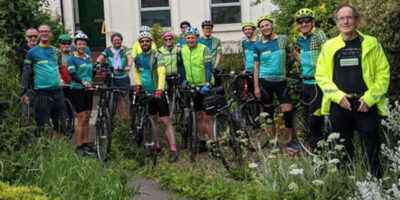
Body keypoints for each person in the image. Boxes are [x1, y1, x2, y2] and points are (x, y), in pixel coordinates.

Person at [315, 4, 390, 178]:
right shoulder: (328, 46)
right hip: (340, 105)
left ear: (357, 20)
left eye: (349, 17)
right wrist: (338, 97)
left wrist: (370, 99)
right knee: (342, 148)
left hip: (365, 105)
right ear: (336, 22)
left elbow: (383, 74)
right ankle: (347, 184)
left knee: (372, 147)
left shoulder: (371, 43)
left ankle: (377, 182)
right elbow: (321, 76)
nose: (346, 21)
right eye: (341, 18)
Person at [253, 15, 301, 152]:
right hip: (264, 81)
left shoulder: (283, 40)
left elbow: (295, 54)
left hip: (281, 81)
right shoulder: (257, 45)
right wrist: (256, 87)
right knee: (268, 114)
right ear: (260, 29)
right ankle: (274, 142)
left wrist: (307, 67)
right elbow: (256, 67)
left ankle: (290, 141)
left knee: (288, 112)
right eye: (262, 26)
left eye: (267, 25)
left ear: (272, 25)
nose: (265, 28)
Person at [133, 32, 178, 163]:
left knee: (165, 120)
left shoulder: (157, 55)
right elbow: (136, 71)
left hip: (159, 92)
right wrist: (139, 84)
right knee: (153, 120)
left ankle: (173, 148)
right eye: (142, 41)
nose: (145, 43)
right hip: (147, 93)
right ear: (139, 43)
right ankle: (156, 144)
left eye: (147, 41)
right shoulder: (138, 58)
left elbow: (161, 71)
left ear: (151, 42)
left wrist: (159, 88)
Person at [21, 24, 65, 135]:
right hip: (42, 92)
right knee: (43, 126)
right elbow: (26, 74)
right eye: (41, 32)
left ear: (51, 34)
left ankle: (59, 151)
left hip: (58, 91)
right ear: (39, 35)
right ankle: (45, 151)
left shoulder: (56, 51)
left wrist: (61, 79)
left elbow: (59, 68)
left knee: (60, 124)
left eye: (47, 31)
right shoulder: (31, 53)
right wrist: (24, 92)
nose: (44, 33)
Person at [294, 8, 328, 149]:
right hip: (306, 82)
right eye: (300, 22)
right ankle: (317, 146)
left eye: (307, 21)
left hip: (317, 82)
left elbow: (329, 52)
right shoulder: (300, 38)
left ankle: (319, 152)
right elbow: (303, 58)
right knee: (307, 118)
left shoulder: (319, 35)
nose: (303, 24)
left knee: (313, 119)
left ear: (313, 22)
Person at [177, 27, 214, 152]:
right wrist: (185, 79)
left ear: (197, 38)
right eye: (188, 38)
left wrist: (207, 83)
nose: (190, 40)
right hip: (193, 86)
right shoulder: (183, 50)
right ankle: (202, 142)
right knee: (199, 115)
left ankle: (214, 143)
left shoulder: (204, 49)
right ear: (185, 39)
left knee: (208, 116)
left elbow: (208, 67)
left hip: (205, 86)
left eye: (193, 37)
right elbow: (184, 66)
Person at [67, 32, 94, 155]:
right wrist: (82, 82)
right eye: (79, 44)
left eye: (83, 44)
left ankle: (85, 143)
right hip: (77, 88)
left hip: (88, 89)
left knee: (88, 116)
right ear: (75, 45)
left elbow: (90, 72)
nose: (82, 46)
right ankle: (78, 146)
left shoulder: (87, 57)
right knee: (81, 117)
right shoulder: (71, 58)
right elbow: (72, 75)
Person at [96, 32, 131, 119]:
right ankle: (120, 117)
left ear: (121, 41)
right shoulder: (108, 49)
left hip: (123, 77)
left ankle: (127, 117)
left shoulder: (125, 49)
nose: (116, 41)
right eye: (114, 40)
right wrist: (98, 63)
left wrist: (129, 65)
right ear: (112, 41)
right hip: (112, 77)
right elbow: (100, 57)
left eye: (118, 40)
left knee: (126, 98)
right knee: (116, 99)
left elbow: (130, 58)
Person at [17, 28, 39, 124]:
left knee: (41, 116)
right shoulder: (20, 52)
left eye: (35, 36)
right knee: (28, 115)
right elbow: (20, 72)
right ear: (26, 38)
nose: (33, 38)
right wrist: (23, 92)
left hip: (42, 87)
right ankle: (29, 137)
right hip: (28, 88)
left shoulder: (43, 50)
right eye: (30, 36)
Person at [158, 32, 178, 117]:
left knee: (179, 96)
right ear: (163, 41)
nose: (168, 41)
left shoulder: (177, 48)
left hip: (177, 75)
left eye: (170, 39)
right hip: (166, 77)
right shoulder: (160, 51)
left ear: (173, 40)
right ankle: (171, 116)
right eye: (166, 39)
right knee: (169, 98)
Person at [199, 20, 222, 86]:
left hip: (214, 68)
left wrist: (215, 67)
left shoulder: (217, 41)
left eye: (209, 28)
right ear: (203, 29)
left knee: (216, 88)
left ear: (212, 29)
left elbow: (219, 54)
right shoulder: (198, 41)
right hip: (202, 69)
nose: (208, 30)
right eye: (206, 28)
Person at [241, 21, 259, 93]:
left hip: (258, 71)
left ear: (253, 30)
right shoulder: (244, 42)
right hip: (248, 72)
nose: (247, 31)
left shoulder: (259, 40)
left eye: (249, 29)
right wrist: (245, 69)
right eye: (245, 29)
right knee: (251, 94)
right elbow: (245, 57)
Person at [58, 34, 73, 100]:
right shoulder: (57, 54)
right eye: (64, 43)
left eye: (68, 43)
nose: (66, 45)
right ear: (60, 44)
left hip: (72, 85)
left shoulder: (74, 54)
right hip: (61, 85)